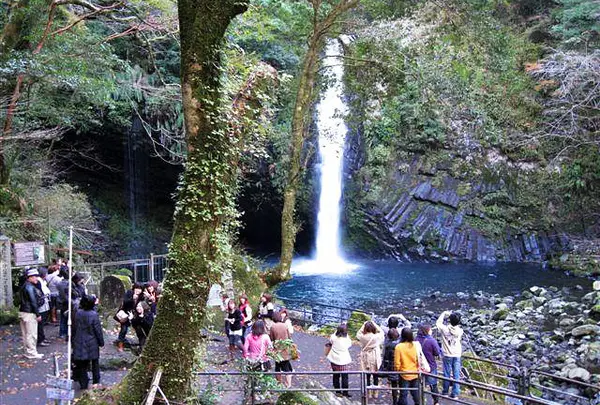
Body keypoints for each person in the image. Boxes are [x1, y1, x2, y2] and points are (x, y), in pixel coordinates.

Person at [72, 295, 104, 389]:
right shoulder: (94, 314)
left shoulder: (77, 313)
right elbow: (97, 329)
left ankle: (83, 383)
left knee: (82, 364)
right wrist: (101, 342)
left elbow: (74, 327)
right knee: (94, 362)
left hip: (79, 340)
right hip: (92, 341)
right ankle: (96, 381)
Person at [437, 311, 464, 399]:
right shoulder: (460, 331)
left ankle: (445, 392)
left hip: (447, 353)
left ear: (449, 320)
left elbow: (438, 323)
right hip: (457, 354)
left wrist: (444, 313)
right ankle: (455, 393)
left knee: (446, 373)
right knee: (456, 373)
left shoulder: (444, 329)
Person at [18, 268, 44, 359]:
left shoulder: (23, 286)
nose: (36, 279)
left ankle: (27, 351)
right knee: (31, 334)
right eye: (35, 277)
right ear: (30, 277)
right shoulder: (30, 287)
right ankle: (32, 352)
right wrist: (38, 314)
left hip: (22, 312)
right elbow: (33, 302)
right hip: (30, 313)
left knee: (25, 334)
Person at [357, 320, 384, 398]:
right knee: (375, 375)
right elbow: (381, 332)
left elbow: (358, 333)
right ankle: (375, 393)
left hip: (366, 357)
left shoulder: (362, 337)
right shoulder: (376, 337)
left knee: (368, 375)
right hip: (374, 356)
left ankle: (368, 392)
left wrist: (364, 324)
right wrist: (374, 323)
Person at [394, 327, 421, 405]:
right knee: (415, 392)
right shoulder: (415, 345)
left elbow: (397, 363)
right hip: (415, 372)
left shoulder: (399, 347)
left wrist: (398, 370)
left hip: (404, 373)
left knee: (404, 394)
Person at [417, 324, 441, 405]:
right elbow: (437, 352)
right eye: (430, 330)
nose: (431, 331)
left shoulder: (416, 339)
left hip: (419, 365)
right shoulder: (432, 341)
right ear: (427, 331)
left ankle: (421, 401)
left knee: (420, 384)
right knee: (433, 384)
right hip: (430, 364)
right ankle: (436, 401)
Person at [326, 323, 352, 398]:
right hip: (343, 360)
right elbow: (350, 344)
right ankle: (345, 392)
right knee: (345, 377)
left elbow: (331, 340)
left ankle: (338, 391)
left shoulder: (333, 337)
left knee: (336, 376)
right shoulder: (346, 339)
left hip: (334, 359)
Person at [115, 283, 142, 351]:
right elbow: (125, 302)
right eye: (137, 288)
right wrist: (132, 299)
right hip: (126, 314)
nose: (138, 290)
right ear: (134, 288)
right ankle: (120, 345)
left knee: (138, 328)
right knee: (124, 329)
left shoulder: (141, 296)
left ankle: (141, 344)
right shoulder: (129, 292)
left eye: (140, 289)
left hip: (135, 315)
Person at [270, 311, 293, 388]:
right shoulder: (285, 325)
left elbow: (272, 339)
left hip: (277, 349)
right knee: (286, 367)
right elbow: (289, 337)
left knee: (277, 367)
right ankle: (288, 384)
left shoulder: (273, 327)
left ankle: (279, 383)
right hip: (285, 349)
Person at [381, 328, 402, 405]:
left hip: (392, 366)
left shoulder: (387, 344)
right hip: (400, 365)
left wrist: (384, 367)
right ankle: (401, 400)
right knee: (402, 383)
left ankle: (395, 401)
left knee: (394, 385)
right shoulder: (401, 343)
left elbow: (386, 357)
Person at [35, 268, 51, 347]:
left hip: (44, 303)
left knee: (42, 322)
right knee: (40, 323)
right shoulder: (38, 281)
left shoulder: (41, 280)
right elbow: (44, 291)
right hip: (41, 304)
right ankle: (40, 340)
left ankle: (42, 338)